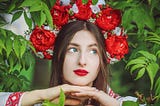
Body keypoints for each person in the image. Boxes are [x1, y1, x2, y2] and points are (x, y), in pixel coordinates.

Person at [0, 20, 138, 106]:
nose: (82, 61)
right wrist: (40, 96)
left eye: (93, 51)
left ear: (102, 59)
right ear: (58, 57)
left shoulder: (124, 104)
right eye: (72, 50)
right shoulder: (39, 102)